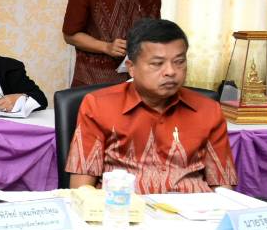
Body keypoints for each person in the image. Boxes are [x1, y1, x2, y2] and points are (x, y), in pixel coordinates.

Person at [65, 18, 236, 194]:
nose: (171, 71)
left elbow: (223, 187)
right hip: (124, 206)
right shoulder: (98, 106)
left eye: (179, 61)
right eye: (157, 63)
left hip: (195, 208)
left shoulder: (208, 110)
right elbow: (81, 191)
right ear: (131, 67)